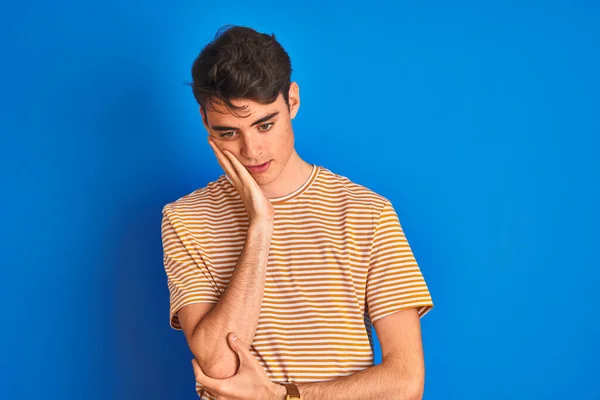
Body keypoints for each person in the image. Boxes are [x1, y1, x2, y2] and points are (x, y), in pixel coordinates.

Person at [161, 24, 434, 400]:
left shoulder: (367, 212)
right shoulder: (185, 218)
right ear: (205, 122)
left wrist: (284, 396)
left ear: (292, 101)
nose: (251, 150)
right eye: (228, 133)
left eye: (265, 124)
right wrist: (260, 225)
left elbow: (406, 382)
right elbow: (219, 364)